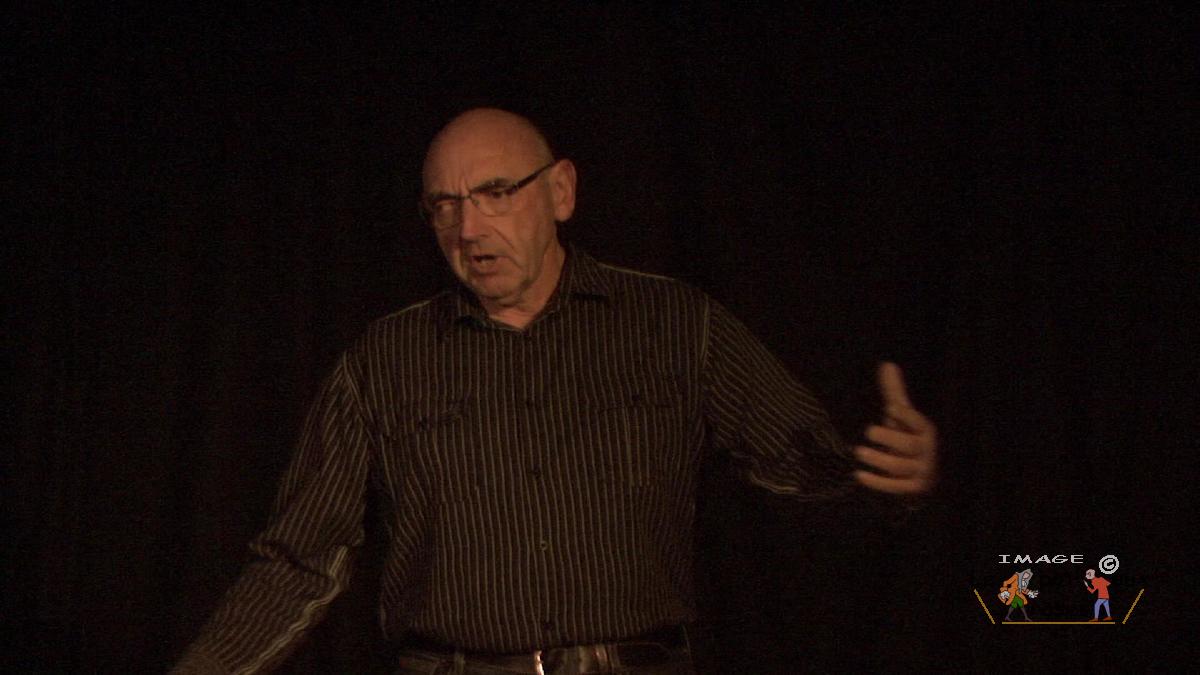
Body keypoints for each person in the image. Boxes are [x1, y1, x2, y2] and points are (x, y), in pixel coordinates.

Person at [173, 108, 938, 674]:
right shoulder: (384, 360)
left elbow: (809, 468)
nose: (468, 229)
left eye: (495, 192)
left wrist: (890, 480)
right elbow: (299, 559)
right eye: (444, 206)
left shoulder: (676, 325)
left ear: (561, 191)